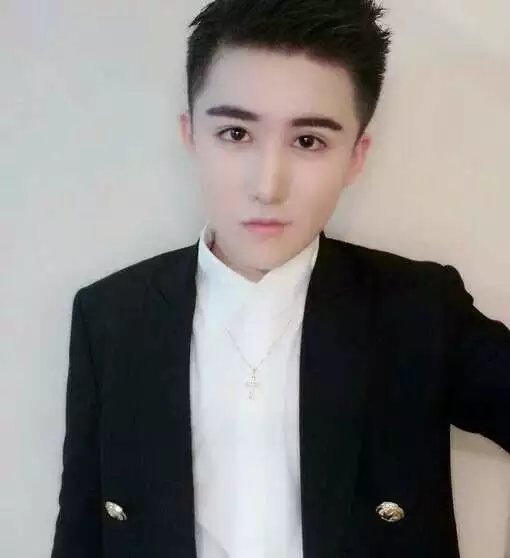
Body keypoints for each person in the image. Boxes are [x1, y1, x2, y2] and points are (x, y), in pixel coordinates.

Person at [50, 1, 510, 557]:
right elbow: (81, 530)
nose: (268, 186)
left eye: (308, 141)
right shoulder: (110, 315)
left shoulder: (417, 309)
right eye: (235, 133)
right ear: (191, 134)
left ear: (355, 156)